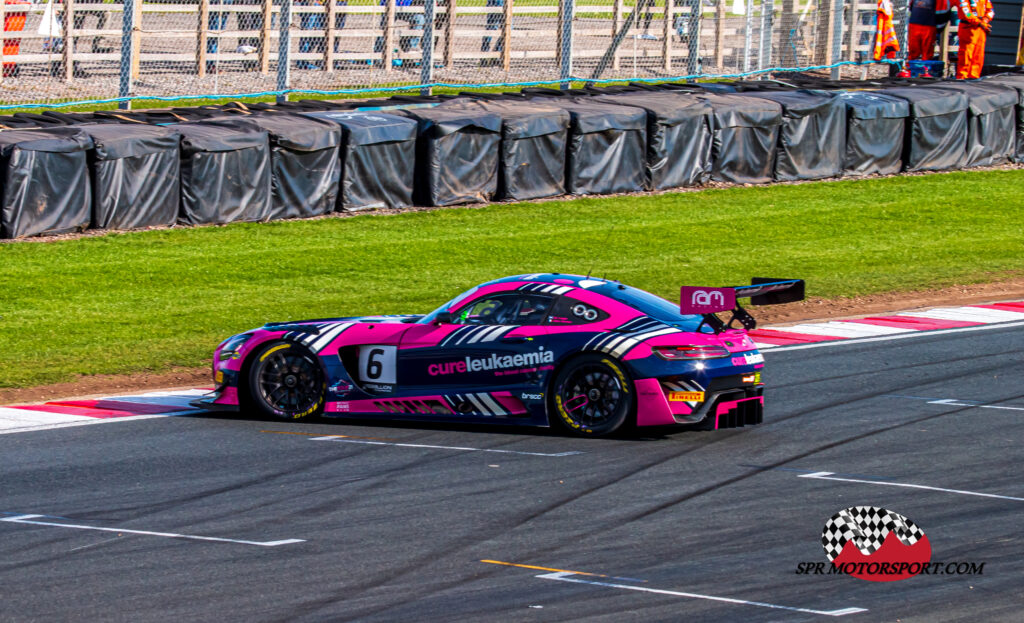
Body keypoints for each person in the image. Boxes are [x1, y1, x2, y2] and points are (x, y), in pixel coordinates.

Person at [955, 0, 994, 79]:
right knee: (966, 54)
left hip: (981, 29)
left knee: (978, 55)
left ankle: (974, 76)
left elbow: (991, 11)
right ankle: (962, 76)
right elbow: (967, 13)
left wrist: (985, 20)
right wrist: (979, 23)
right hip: (968, 28)